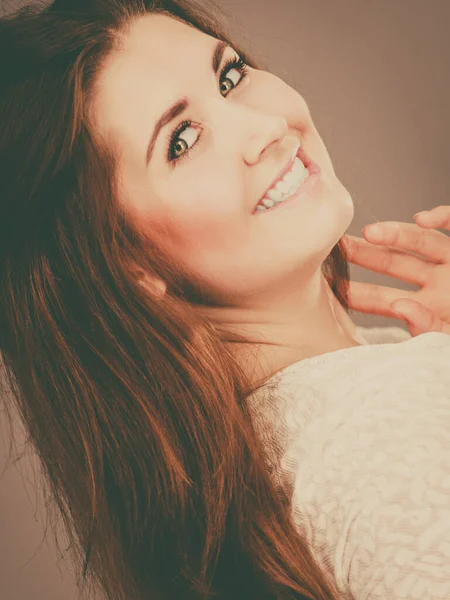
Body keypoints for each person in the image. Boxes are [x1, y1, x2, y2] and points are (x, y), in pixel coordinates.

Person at [0, 1, 449, 599]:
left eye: (229, 76)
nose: (263, 127)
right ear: (126, 264)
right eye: (182, 140)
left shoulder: (244, 493)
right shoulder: (387, 427)